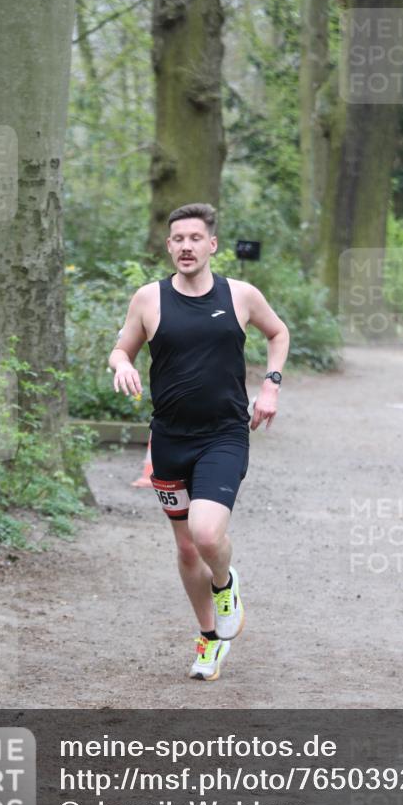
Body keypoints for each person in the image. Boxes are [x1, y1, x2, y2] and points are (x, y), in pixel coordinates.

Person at [108, 203, 290, 681]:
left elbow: (278, 332)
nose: (186, 246)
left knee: (207, 533)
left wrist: (270, 385)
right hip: (169, 438)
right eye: (177, 239)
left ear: (212, 245)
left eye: (195, 238)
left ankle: (226, 585)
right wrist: (123, 364)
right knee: (187, 549)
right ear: (168, 246)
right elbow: (121, 348)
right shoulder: (148, 299)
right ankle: (210, 638)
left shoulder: (241, 295)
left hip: (224, 434)